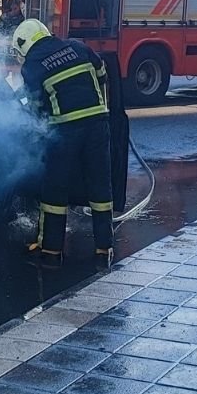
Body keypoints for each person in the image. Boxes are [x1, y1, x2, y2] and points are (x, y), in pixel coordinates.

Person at [11, 18, 115, 268]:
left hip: (65, 129)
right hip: (98, 124)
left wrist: (36, 129)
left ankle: (50, 253)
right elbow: (101, 72)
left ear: (24, 46)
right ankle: (104, 250)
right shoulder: (78, 47)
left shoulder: (32, 65)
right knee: (100, 186)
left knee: (54, 191)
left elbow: (37, 108)